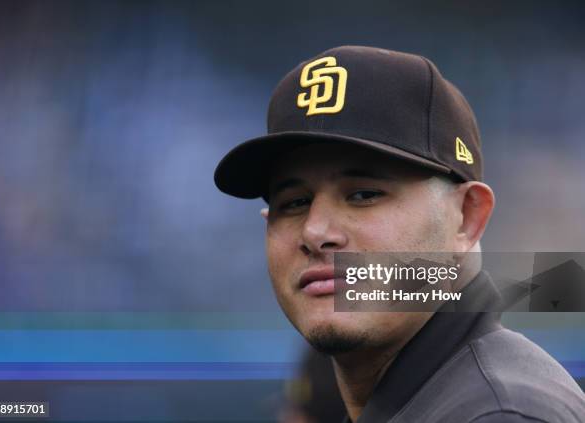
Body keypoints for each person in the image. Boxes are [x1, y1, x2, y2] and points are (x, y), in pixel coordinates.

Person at [214, 46, 585, 422]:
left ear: (466, 218)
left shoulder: (499, 415)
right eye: (294, 202)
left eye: (363, 195)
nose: (315, 231)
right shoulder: (432, 400)